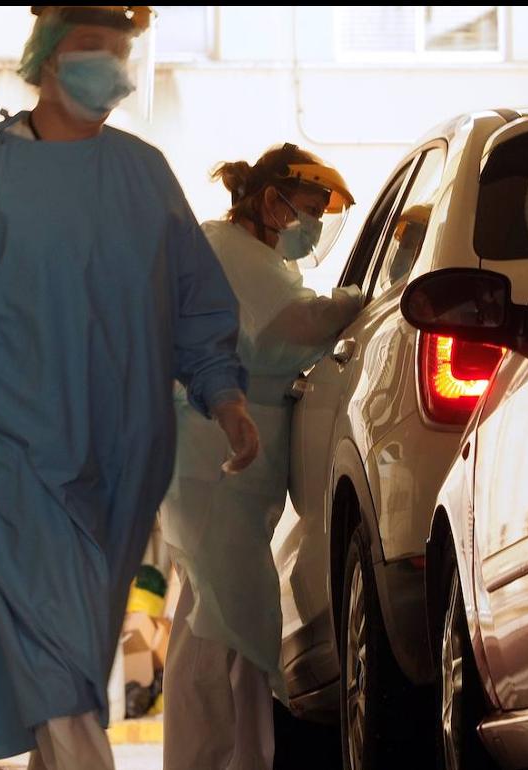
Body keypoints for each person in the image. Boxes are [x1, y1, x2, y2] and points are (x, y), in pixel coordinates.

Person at [0, 7, 260, 769]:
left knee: (78, 643)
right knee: (52, 637)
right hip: (16, 450)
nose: (111, 68)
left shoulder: (143, 173)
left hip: (127, 451)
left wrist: (226, 395)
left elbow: (195, 301)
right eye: (94, 50)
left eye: (121, 53)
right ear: (47, 60)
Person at [160, 143, 362, 770]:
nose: (311, 227)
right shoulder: (226, 250)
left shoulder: (247, 255)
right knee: (231, 621)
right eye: (306, 210)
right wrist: (364, 299)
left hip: (226, 466)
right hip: (215, 461)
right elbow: (289, 333)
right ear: (272, 201)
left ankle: (234, 757)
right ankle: (212, 759)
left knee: (222, 619)